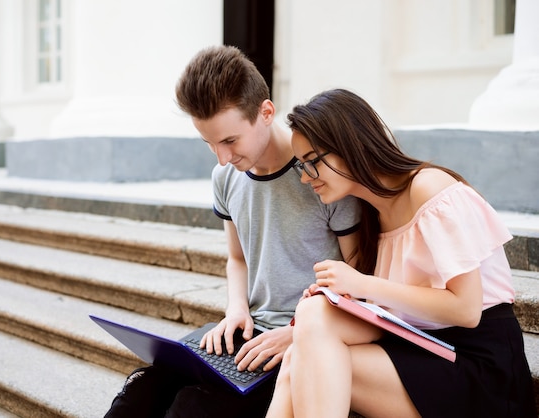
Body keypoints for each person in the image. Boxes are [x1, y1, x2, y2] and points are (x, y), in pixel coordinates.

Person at [102, 46, 361, 418]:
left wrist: (304, 334)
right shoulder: (225, 177)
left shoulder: (322, 177)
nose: (222, 159)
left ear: (265, 113)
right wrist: (236, 307)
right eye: (209, 144)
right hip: (249, 333)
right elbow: (237, 258)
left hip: (305, 339)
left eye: (229, 141)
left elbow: (359, 273)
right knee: (141, 393)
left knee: (192, 408)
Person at [265, 88, 537, 418]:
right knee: (307, 333)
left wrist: (363, 285)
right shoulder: (372, 217)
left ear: (349, 146)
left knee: (304, 353)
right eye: (301, 167)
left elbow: (467, 310)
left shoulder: (429, 188)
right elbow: (396, 314)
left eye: (312, 163)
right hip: (422, 349)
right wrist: (342, 298)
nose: (306, 178)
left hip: (477, 364)